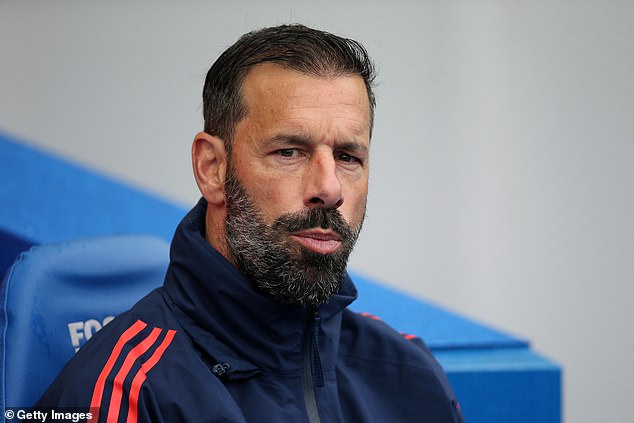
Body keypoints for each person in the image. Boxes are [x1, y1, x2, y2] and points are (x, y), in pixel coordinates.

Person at [37, 24, 465, 422]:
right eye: (289, 152)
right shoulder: (121, 396)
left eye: (348, 157)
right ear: (211, 168)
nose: (329, 187)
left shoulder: (410, 373)